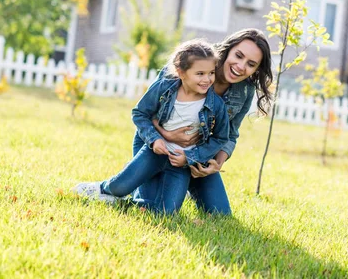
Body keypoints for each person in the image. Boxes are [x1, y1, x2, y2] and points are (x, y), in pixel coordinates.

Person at [72, 39, 230, 207]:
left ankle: (126, 203)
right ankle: (101, 189)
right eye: (200, 74)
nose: (207, 79)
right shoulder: (164, 89)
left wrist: (190, 158)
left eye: (211, 73)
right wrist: (155, 139)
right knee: (120, 187)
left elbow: (220, 138)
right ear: (181, 72)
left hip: (181, 163)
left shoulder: (216, 105)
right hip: (154, 153)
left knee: (167, 212)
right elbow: (139, 113)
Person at [134, 28, 274, 214]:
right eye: (238, 56)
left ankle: (186, 185)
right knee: (148, 206)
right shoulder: (197, 58)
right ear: (228, 49)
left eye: (251, 64)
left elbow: (230, 134)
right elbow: (146, 112)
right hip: (157, 146)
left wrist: (217, 164)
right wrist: (166, 134)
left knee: (220, 214)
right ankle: (106, 191)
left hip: (198, 155)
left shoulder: (245, 91)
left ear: (256, 69)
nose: (241, 66)